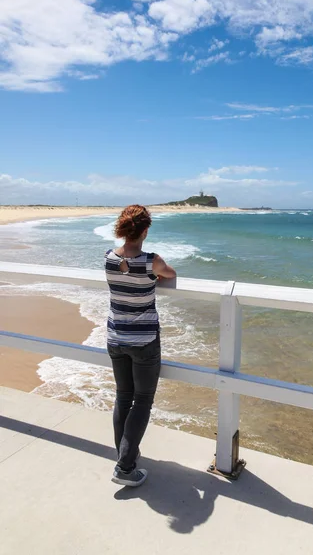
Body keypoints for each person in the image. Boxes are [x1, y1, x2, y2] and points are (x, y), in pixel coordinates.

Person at [105, 204, 176, 487]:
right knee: (142, 401)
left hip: (115, 337)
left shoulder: (109, 257)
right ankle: (125, 467)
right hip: (144, 341)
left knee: (124, 397)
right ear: (145, 230)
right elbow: (169, 274)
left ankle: (124, 453)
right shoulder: (151, 261)